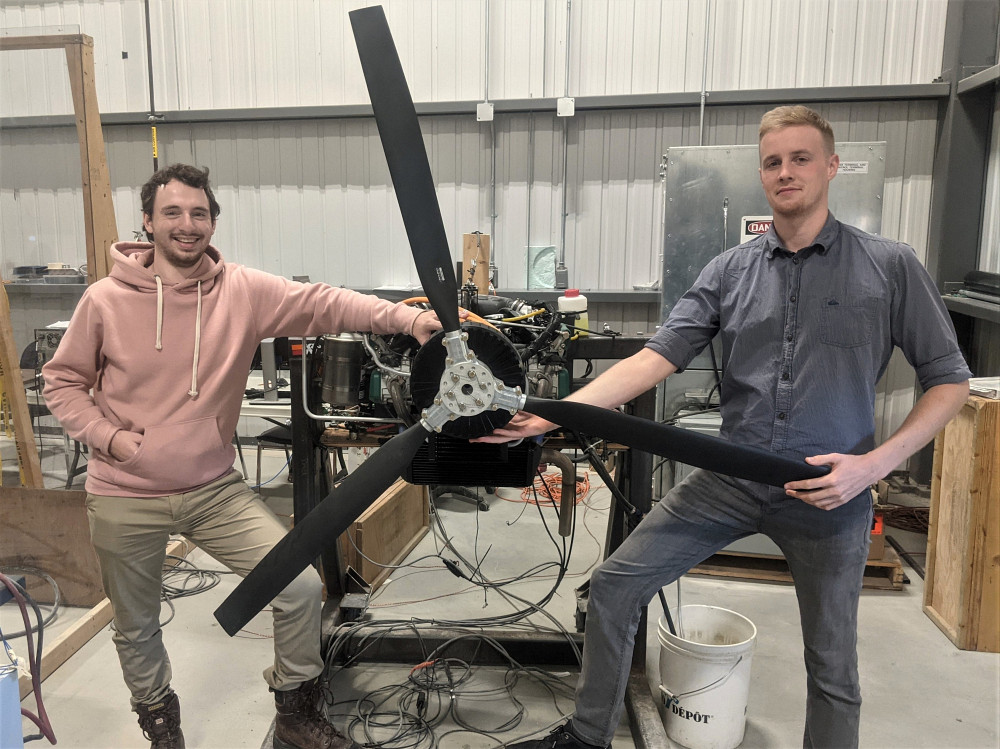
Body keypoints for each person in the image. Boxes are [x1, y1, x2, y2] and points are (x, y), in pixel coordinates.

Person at [478, 106, 971, 749]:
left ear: (831, 165)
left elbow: (949, 380)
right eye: (773, 162)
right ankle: (588, 735)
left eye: (800, 158)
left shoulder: (889, 265)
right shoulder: (729, 270)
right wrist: (555, 413)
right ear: (761, 174)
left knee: (832, 664)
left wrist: (874, 467)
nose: (786, 172)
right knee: (616, 585)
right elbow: (655, 357)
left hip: (829, 489)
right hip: (730, 477)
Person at [42, 163, 443, 749]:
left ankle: (295, 718)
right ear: (148, 222)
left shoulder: (242, 291)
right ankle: (162, 731)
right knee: (136, 626)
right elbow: (62, 382)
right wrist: (112, 439)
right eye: (172, 213)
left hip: (213, 489)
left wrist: (409, 319)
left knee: (300, 589)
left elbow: (323, 303)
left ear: (212, 222)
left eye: (198, 213)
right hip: (125, 493)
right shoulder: (104, 300)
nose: (186, 225)